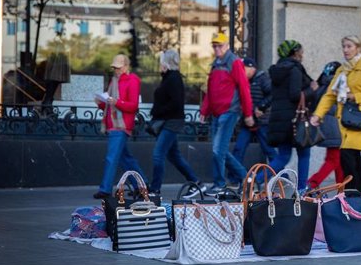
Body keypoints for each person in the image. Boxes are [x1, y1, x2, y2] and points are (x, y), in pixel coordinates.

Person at [311, 35, 361, 193]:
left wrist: (355, 97)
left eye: (349, 46)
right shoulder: (342, 70)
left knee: (348, 157)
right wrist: (318, 115)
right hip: (344, 121)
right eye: (344, 46)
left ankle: (353, 195)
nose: (345, 50)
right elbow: (330, 95)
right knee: (352, 159)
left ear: (358, 48)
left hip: (358, 119)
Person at [199, 32, 254, 196]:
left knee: (218, 150)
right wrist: (204, 110)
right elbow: (210, 91)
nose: (217, 49)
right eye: (214, 46)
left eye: (220, 45)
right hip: (216, 113)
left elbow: (244, 88)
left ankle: (219, 185)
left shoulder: (235, 62)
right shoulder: (215, 64)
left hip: (229, 112)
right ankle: (247, 178)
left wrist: (248, 114)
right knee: (221, 150)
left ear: (227, 46)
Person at [148, 50, 203, 197]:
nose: (159, 64)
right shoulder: (168, 77)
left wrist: (157, 112)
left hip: (172, 122)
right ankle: (195, 182)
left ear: (166, 62)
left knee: (158, 154)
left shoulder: (174, 78)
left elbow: (176, 103)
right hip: (169, 120)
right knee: (174, 156)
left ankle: (155, 189)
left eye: (161, 61)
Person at [93, 54, 148, 199]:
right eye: (114, 67)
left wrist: (116, 102)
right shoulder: (114, 81)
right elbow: (109, 104)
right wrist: (100, 102)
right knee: (126, 159)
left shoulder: (133, 80)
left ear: (126, 66)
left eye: (118, 67)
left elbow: (133, 106)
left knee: (112, 158)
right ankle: (142, 186)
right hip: (113, 125)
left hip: (122, 126)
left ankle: (105, 189)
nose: (116, 70)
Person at [266, 40, 318, 190]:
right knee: (304, 154)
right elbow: (295, 95)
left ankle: (253, 179)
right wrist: (312, 89)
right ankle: (302, 188)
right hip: (295, 120)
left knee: (283, 156)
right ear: (295, 53)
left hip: (280, 120)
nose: (303, 55)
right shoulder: (294, 69)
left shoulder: (276, 70)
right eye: (301, 51)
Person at [232, 57, 278, 168]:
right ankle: (234, 180)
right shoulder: (241, 80)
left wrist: (261, 107)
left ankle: (282, 179)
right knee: (239, 148)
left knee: (269, 150)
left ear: (252, 68)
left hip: (261, 121)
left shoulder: (262, 79)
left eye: (244, 68)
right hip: (247, 121)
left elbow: (273, 94)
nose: (241, 71)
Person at [306, 61, 343, 189]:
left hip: (326, 126)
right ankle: (313, 183)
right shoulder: (337, 85)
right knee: (333, 160)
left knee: (338, 161)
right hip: (335, 126)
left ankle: (342, 190)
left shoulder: (321, 84)